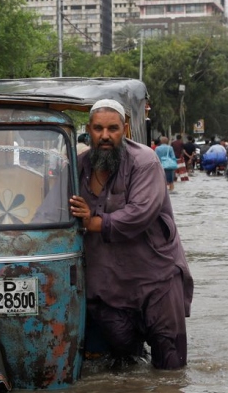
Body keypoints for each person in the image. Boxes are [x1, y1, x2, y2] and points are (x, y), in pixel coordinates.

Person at [68, 99, 192, 369]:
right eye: (98, 129)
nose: (104, 136)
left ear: (124, 130)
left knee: (169, 361)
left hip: (154, 275)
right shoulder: (77, 166)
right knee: (124, 358)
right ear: (88, 130)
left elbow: (141, 213)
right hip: (107, 281)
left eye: (112, 129)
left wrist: (92, 222)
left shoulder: (144, 160)